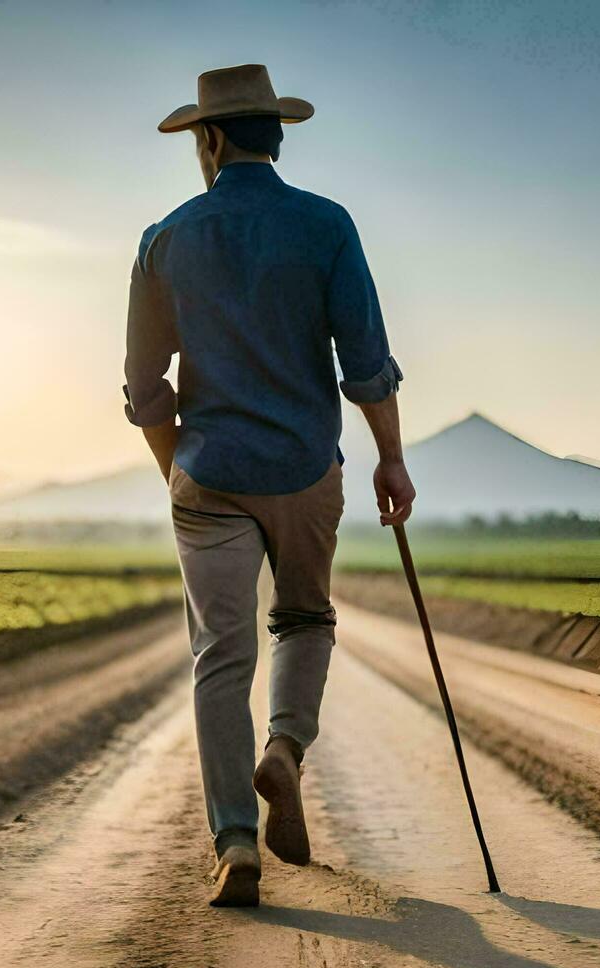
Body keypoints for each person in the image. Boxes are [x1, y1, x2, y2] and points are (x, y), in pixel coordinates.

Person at [123, 64, 415, 908]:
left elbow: (146, 387)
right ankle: (284, 749)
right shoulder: (327, 226)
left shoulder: (166, 239)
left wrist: (179, 468)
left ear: (210, 140)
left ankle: (234, 845)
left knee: (220, 654)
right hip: (303, 469)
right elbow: (365, 362)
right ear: (276, 135)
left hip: (208, 472)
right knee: (302, 618)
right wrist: (390, 457)